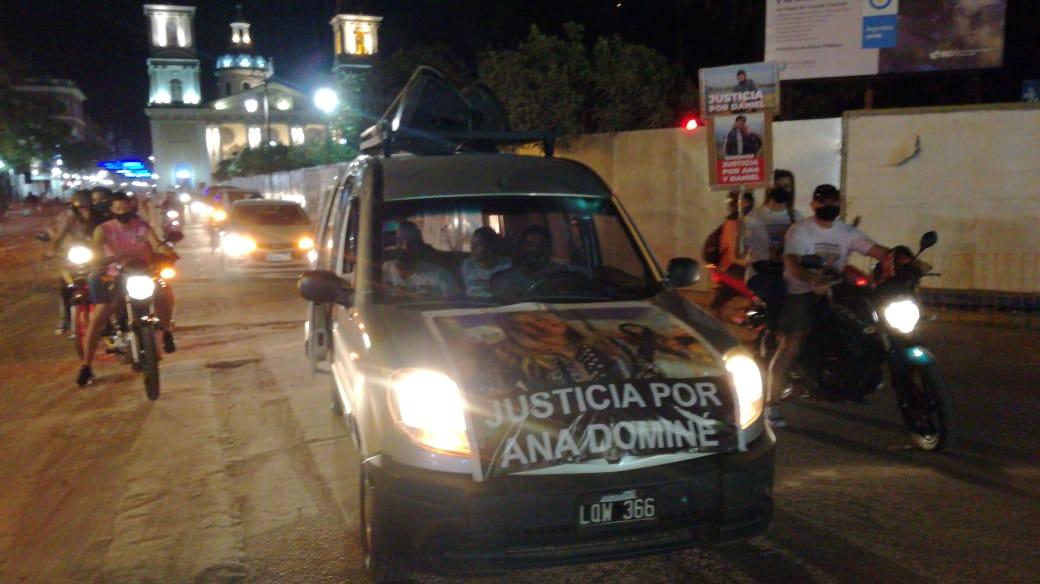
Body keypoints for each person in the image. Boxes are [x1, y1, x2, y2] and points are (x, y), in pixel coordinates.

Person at [765, 185, 889, 427]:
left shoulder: (847, 231)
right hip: (801, 292)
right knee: (793, 343)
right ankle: (772, 404)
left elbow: (876, 250)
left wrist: (902, 259)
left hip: (836, 290)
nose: (828, 205)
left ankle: (857, 380)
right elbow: (792, 263)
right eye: (823, 201)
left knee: (869, 326)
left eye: (833, 200)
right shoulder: (800, 231)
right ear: (813, 205)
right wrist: (812, 279)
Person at [77, 192, 178, 387]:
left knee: (165, 292)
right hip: (115, 276)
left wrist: (169, 253)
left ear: (132, 208)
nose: (123, 212)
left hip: (144, 274)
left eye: (126, 208)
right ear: (112, 210)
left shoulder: (142, 227)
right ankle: (86, 366)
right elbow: (96, 251)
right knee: (99, 316)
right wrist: (99, 261)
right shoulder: (103, 229)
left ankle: (166, 332)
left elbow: (157, 244)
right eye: (118, 209)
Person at [745, 174, 803, 327]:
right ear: (769, 187)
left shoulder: (796, 217)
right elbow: (753, 250)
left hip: (789, 272)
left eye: (786, 186)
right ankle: (773, 330)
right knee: (778, 287)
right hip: (762, 273)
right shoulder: (755, 217)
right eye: (778, 185)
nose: (782, 190)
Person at [45, 190, 98, 335]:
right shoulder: (67, 218)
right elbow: (60, 235)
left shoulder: (99, 217)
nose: (84, 211)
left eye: (87, 207)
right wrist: (52, 250)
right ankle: (64, 319)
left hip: (97, 256)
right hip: (74, 255)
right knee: (66, 285)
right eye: (81, 208)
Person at [490, 225, 573, 301]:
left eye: (541, 245)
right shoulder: (505, 280)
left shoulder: (564, 275)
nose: (535, 249)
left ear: (549, 249)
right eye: (529, 245)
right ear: (521, 249)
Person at [381, 220, 461, 298]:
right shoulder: (381, 272)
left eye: (411, 242)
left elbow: (454, 305)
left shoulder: (440, 275)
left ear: (420, 246)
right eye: (400, 241)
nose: (405, 247)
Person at [709, 191, 754, 316]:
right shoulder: (733, 224)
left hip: (730, 267)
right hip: (732, 267)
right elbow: (733, 255)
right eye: (745, 202)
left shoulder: (741, 223)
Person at [460, 227, 511, 298]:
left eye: (478, 244)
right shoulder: (466, 265)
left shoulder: (507, 265)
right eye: (471, 244)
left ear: (491, 246)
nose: (472, 248)